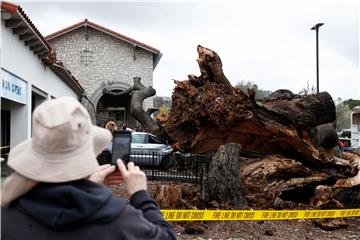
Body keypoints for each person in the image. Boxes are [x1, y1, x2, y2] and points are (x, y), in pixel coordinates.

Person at [1, 97, 176, 240]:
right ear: (87, 152)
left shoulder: (6, 217)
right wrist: (140, 195)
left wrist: (90, 186)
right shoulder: (122, 222)